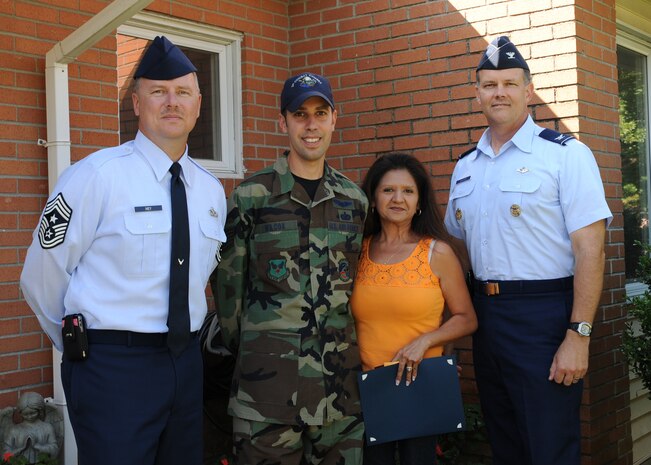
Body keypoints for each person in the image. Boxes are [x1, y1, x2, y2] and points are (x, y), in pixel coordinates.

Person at [20, 36, 227, 465]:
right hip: (112, 367)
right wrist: (83, 348)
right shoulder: (94, 176)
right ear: (136, 103)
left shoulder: (210, 190)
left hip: (185, 365)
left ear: (198, 104)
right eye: (158, 91)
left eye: (183, 92)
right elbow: (41, 277)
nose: (172, 102)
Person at [444, 36, 612, 465]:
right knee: (508, 445)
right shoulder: (466, 167)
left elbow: (590, 250)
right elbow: (456, 248)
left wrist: (579, 334)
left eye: (510, 83)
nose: (499, 92)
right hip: (487, 317)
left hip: (545, 317)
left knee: (549, 446)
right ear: (477, 92)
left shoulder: (566, 156)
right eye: (489, 84)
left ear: (528, 90)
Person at [211, 72, 368, 465]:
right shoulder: (251, 196)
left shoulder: (354, 200)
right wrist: (255, 349)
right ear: (283, 122)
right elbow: (228, 292)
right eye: (300, 114)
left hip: (339, 396)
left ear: (335, 118)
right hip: (266, 398)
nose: (311, 125)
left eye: (320, 112)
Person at [350, 153, 477, 465]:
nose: (397, 199)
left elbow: (466, 318)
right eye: (388, 190)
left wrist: (425, 341)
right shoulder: (356, 251)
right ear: (373, 197)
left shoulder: (438, 252)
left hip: (418, 384)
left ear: (419, 201)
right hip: (365, 389)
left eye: (408, 191)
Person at [3, 392, 60, 463]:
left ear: (39, 411)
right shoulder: (14, 430)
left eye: (33, 413)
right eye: (25, 414)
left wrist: (38, 446)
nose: (29, 416)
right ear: (20, 413)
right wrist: (20, 449)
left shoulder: (47, 428)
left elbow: (55, 450)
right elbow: (4, 454)